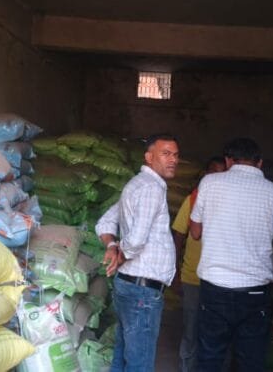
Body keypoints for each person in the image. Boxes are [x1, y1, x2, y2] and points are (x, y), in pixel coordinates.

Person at [190, 138, 273, 372]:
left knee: (209, 358)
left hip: (215, 289)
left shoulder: (209, 183)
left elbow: (195, 232)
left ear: (228, 160)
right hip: (256, 293)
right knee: (250, 362)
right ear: (259, 163)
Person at [95, 134, 179, 372]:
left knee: (123, 358)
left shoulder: (135, 184)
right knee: (139, 363)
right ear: (149, 157)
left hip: (128, 285)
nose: (173, 160)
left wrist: (112, 247)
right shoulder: (151, 188)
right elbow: (136, 240)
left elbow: (104, 223)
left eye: (175, 155)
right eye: (166, 154)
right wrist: (120, 253)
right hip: (142, 291)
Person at [170, 156, 226, 372]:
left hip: (220, 280)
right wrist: (175, 273)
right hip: (192, 278)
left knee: (216, 331)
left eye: (222, 173)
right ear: (205, 175)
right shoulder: (193, 200)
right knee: (191, 330)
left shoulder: (231, 202)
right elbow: (178, 237)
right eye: (213, 172)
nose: (216, 177)